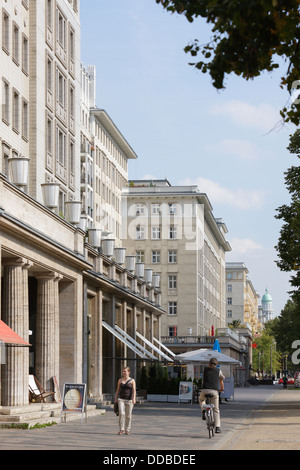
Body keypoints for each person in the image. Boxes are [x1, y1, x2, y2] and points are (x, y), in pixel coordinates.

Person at [199, 358, 225, 433]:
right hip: (214, 391)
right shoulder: (218, 370)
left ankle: (203, 410)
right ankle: (217, 427)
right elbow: (221, 379)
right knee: (216, 409)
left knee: (201, 399)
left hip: (204, 390)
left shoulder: (205, 370)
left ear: (209, 363)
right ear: (216, 365)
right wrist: (222, 388)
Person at [114, 366, 136, 435]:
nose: (123, 373)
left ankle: (128, 429)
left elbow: (134, 390)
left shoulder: (132, 380)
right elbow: (117, 390)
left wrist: (134, 398)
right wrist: (115, 398)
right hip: (121, 399)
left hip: (129, 400)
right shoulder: (120, 380)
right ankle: (121, 429)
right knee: (122, 413)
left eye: (125, 371)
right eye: (123, 371)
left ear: (128, 372)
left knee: (128, 415)